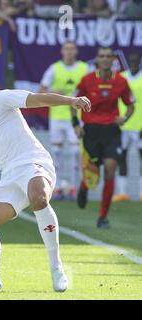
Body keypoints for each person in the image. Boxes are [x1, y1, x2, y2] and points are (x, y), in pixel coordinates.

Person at [0, 66, 91, 291]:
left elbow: (36, 99)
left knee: (38, 197)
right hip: (11, 177)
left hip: (35, 162)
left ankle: (56, 268)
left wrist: (71, 101)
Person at [73, 47, 135, 229]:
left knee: (110, 168)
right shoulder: (87, 80)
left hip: (111, 132)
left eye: (109, 56)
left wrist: (125, 118)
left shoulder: (121, 81)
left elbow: (131, 105)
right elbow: (73, 103)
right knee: (94, 173)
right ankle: (84, 187)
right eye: (102, 56)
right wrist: (76, 125)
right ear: (97, 60)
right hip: (91, 131)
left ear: (113, 60)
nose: (105, 59)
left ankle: (102, 217)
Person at [39, 42, 89, 200]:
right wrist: (54, 92)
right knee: (57, 152)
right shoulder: (54, 68)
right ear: (62, 51)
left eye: (72, 49)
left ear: (76, 51)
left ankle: (73, 187)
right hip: (57, 116)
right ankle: (58, 187)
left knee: (76, 151)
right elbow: (41, 91)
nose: (69, 52)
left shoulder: (84, 68)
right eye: (66, 49)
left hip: (76, 117)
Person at [113, 53, 142, 202]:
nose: (134, 62)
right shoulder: (122, 77)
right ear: (129, 62)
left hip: (140, 125)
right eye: (132, 60)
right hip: (124, 124)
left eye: (136, 60)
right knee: (122, 158)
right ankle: (122, 192)